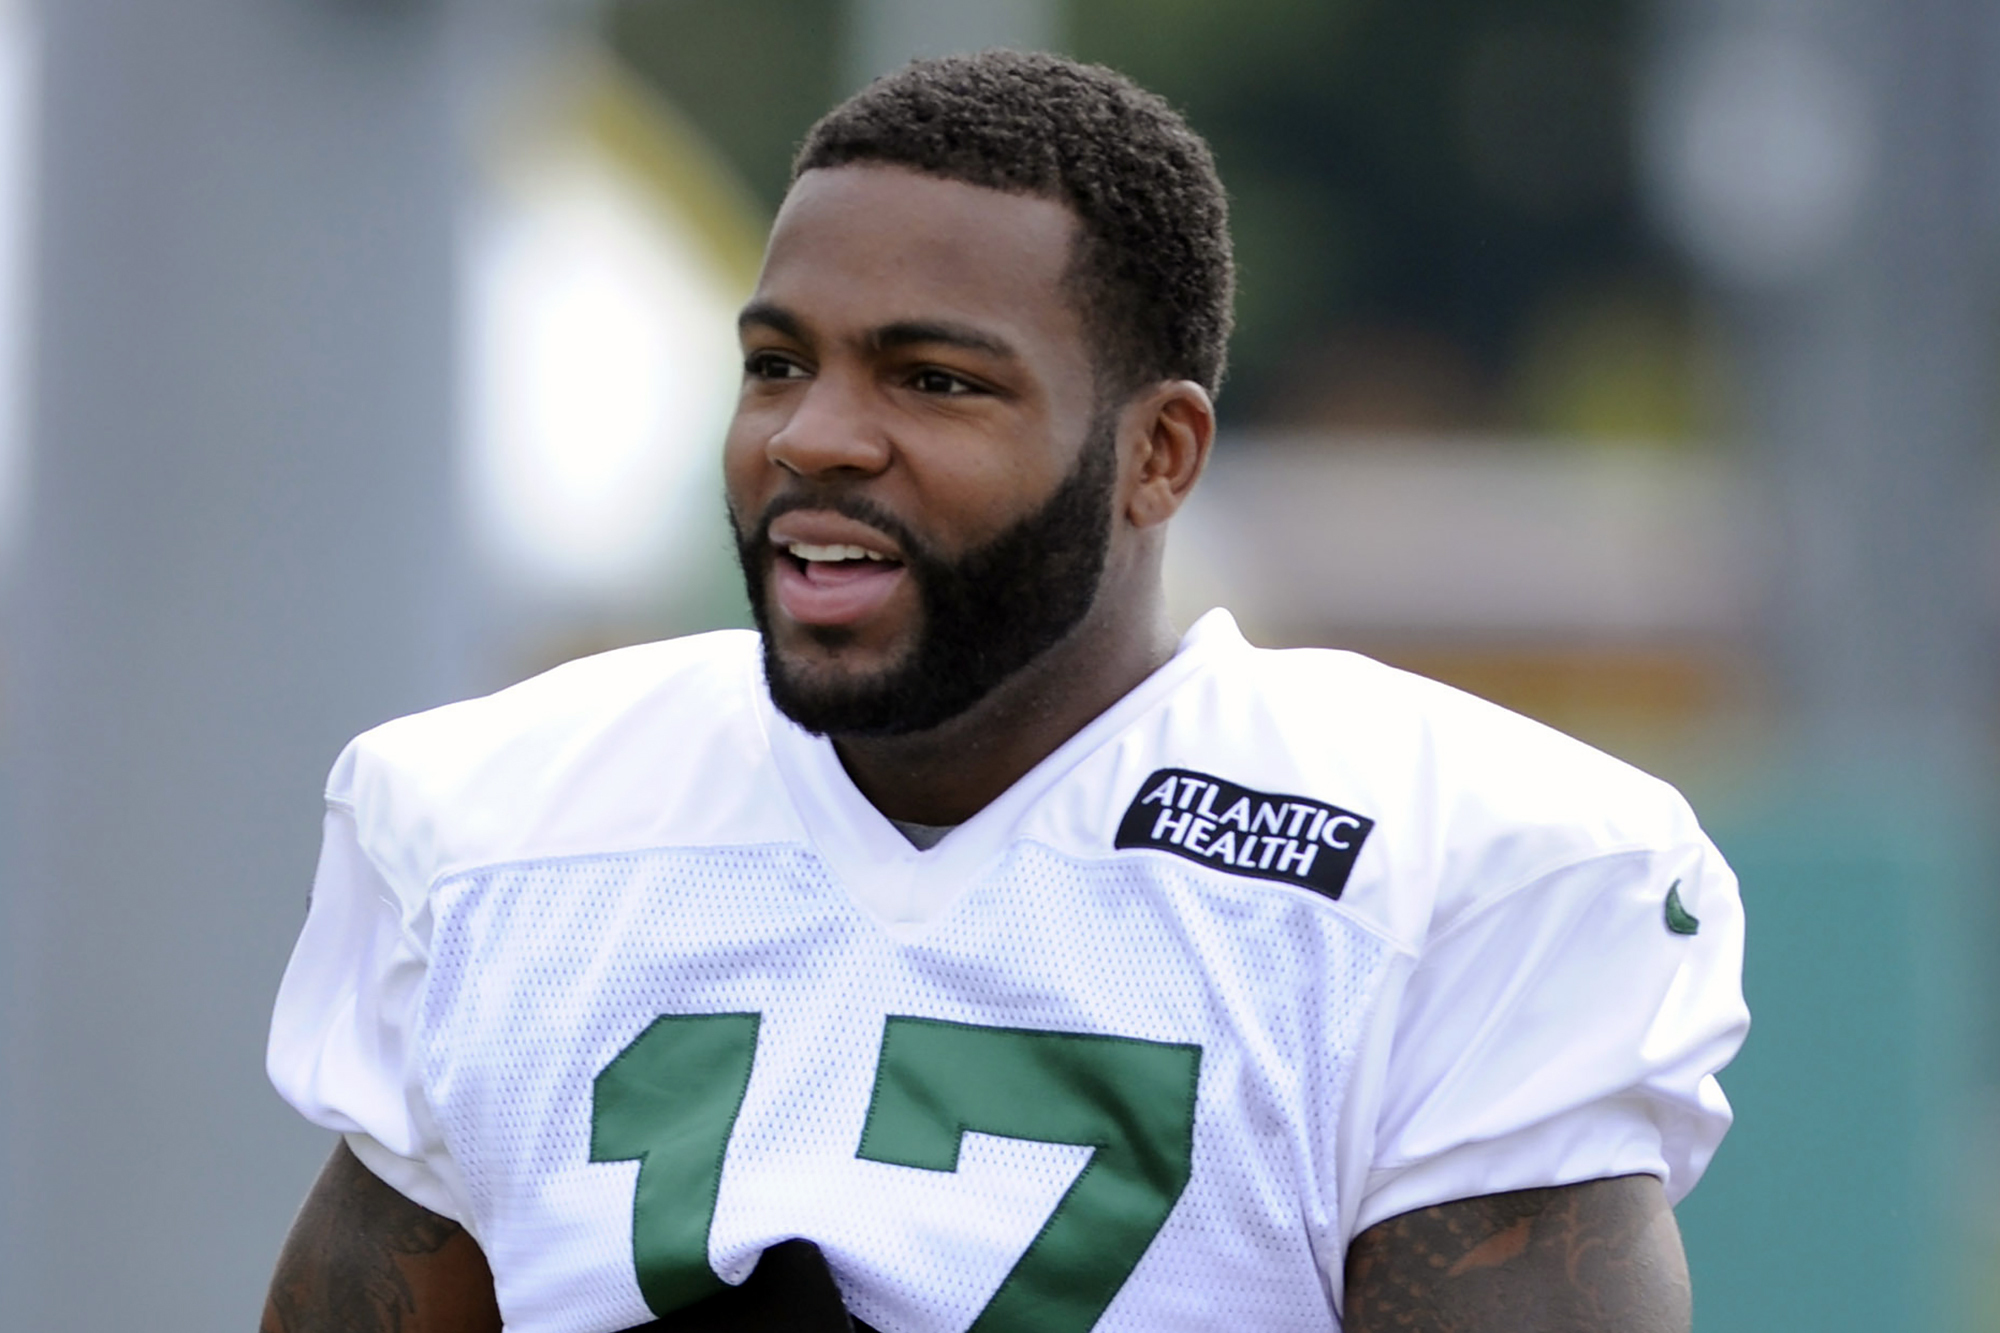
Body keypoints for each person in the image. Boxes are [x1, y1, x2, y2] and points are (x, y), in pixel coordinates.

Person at [262, 50, 1746, 1333]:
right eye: (778, 365)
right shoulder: (499, 826)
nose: (817, 438)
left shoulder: (1455, 865)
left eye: (935, 381)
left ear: (1157, 454)